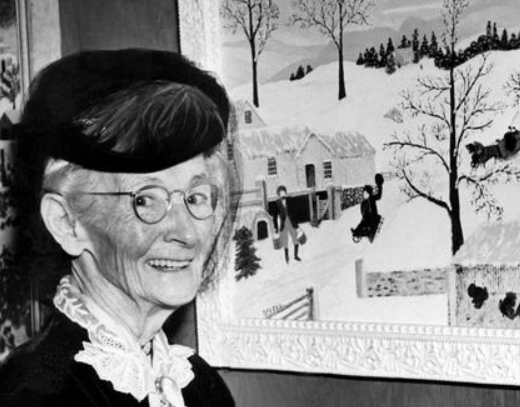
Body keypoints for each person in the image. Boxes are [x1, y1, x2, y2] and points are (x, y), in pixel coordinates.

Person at [0, 49, 240, 407]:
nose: (187, 233)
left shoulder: (195, 384)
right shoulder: (35, 396)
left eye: (195, 196)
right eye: (145, 199)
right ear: (67, 223)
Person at [351, 175, 383, 242]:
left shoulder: (371, 198)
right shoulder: (363, 203)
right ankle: (357, 233)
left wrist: (379, 185)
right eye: (364, 193)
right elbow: (363, 214)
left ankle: (367, 233)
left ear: (369, 193)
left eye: (367, 193)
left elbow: (379, 196)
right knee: (363, 223)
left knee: (368, 222)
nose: (365, 194)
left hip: (373, 217)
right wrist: (360, 226)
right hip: (367, 219)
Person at [274, 185, 300, 263]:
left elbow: (295, 211)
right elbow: (275, 216)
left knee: (295, 238)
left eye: (283, 192)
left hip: (292, 222)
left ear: (285, 192)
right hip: (283, 224)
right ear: (279, 194)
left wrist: (296, 222)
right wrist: (276, 227)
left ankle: (296, 256)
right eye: (281, 193)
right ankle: (286, 258)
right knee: (285, 241)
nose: (282, 194)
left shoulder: (291, 199)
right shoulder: (277, 202)